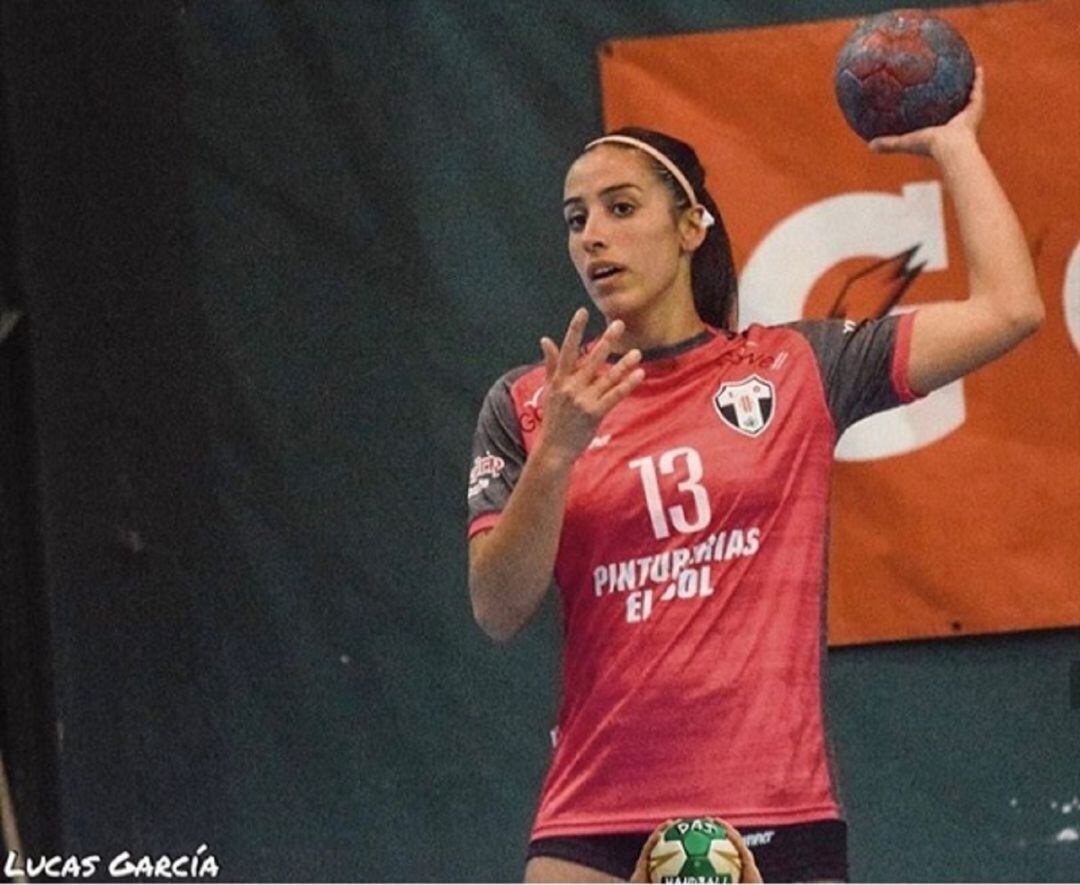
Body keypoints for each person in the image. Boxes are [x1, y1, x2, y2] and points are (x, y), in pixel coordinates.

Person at [466, 67, 1042, 882]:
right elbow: (496, 607)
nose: (592, 234)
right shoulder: (531, 403)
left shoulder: (799, 367)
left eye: (621, 208)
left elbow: (1011, 307)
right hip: (593, 817)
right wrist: (557, 453)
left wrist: (954, 146)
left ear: (691, 223)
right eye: (575, 218)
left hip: (776, 808)